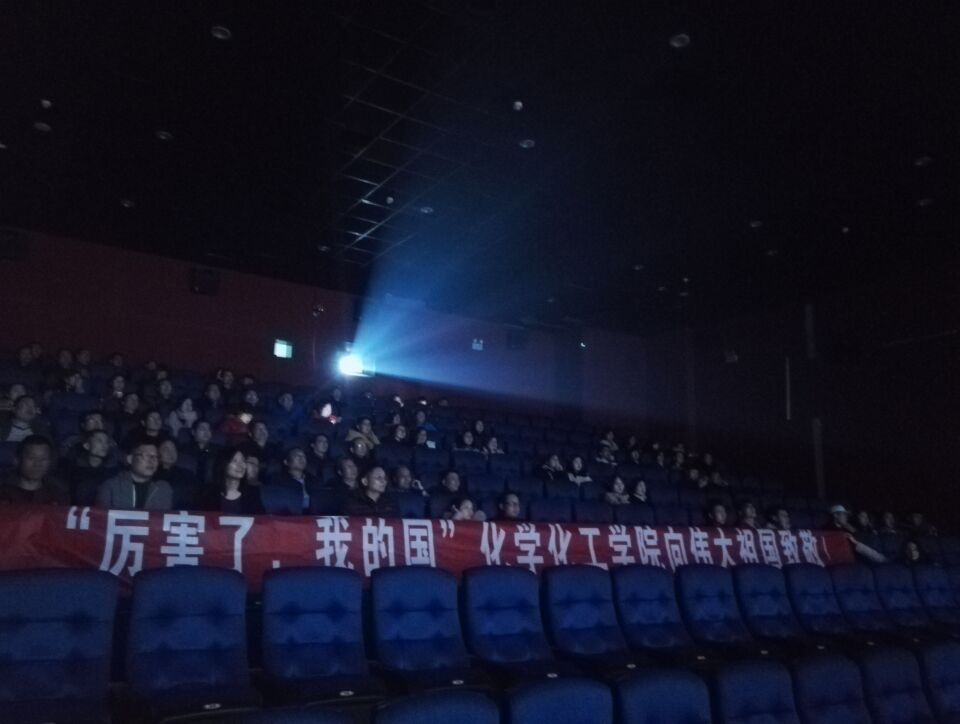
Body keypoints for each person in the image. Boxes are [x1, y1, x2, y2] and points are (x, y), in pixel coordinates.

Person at [95, 441, 173, 510]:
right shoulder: (111, 487)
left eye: (155, 457)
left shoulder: (163, 489)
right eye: (145, 456)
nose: (151, 461)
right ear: (130, 459)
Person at [0, 435, 70, 505]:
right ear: (17, 460)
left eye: (43, 459)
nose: (37, 464)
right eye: (31, 458)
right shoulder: (3, 491)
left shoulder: (58, 494)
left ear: (50, 462)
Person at [67, 430, 117, 505]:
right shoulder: (74, 470)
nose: (104, 445)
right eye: (99, 441)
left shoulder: (113, 470)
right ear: (87, 445)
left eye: (107, 442)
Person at [215, 447, 264, 514]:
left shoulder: (252, 493)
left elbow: (261, 518)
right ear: (224, 464)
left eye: (243, 461)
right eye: (234, 461)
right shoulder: (209, 493)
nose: (240, 465)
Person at [271, 447, 316, 513]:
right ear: (286, 462)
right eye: (296, 456)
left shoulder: (313, 479)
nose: (301, 458)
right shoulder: (278, 480)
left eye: (304, 456)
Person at [157, 439, 198, 509]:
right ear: (157, 453)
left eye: (174, 449)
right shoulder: (150, 474)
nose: (171, 453)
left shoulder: (188, 475)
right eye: (166, 449)